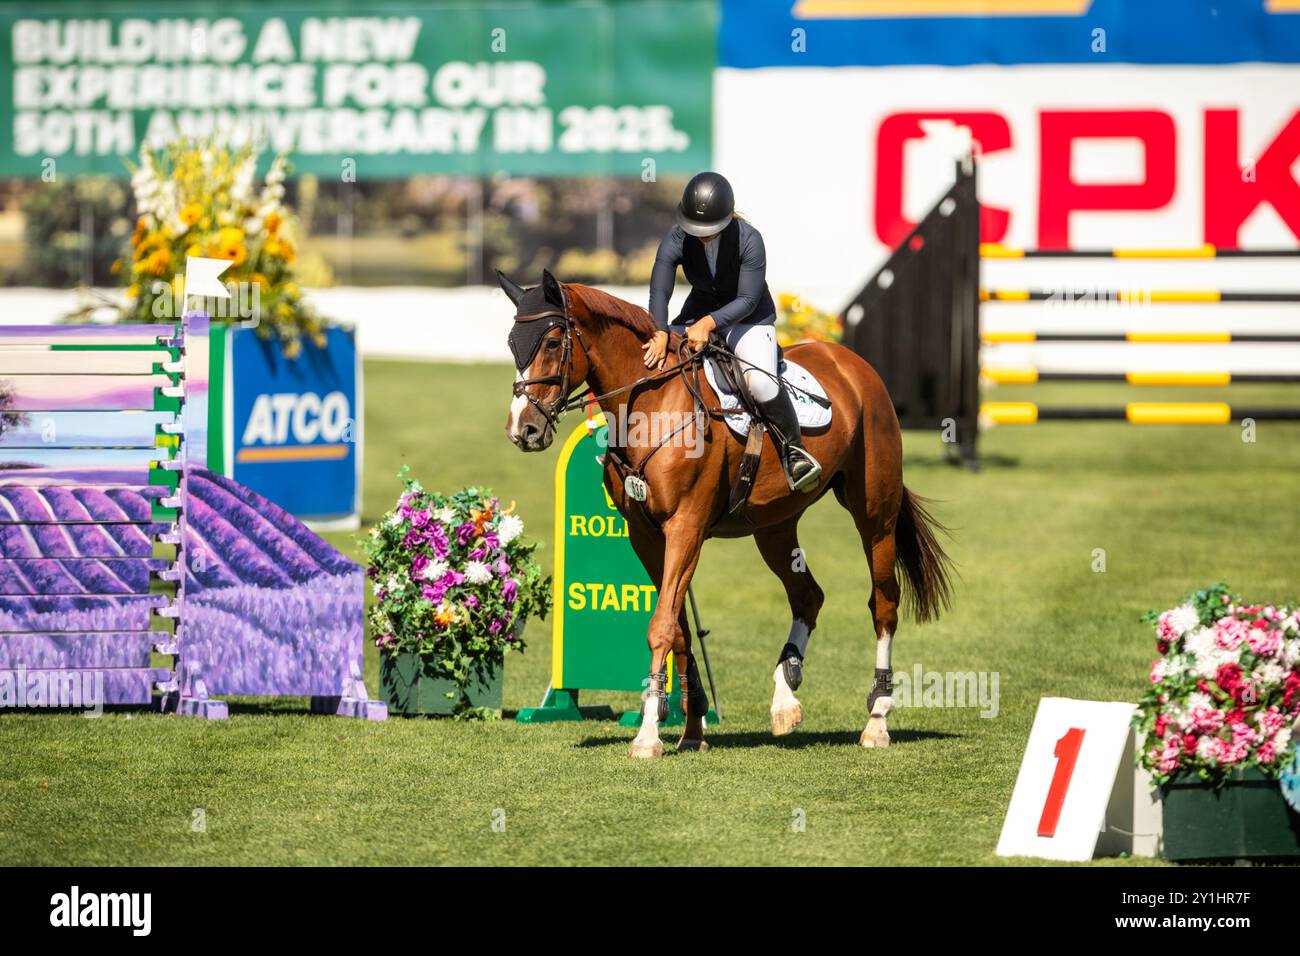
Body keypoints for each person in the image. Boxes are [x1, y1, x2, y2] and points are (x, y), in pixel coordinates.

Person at [645, 171, 820, 492]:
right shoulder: (676, 237)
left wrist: (708, 324)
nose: (700, 236)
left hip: (749, 318)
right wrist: (658, 329)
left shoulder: (750, 239)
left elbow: (748, 299)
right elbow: (660, 291)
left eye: (708, 231)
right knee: (655, 361)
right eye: (694, 230)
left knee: (761, 381)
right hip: (698, 312)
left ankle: (795, 452)